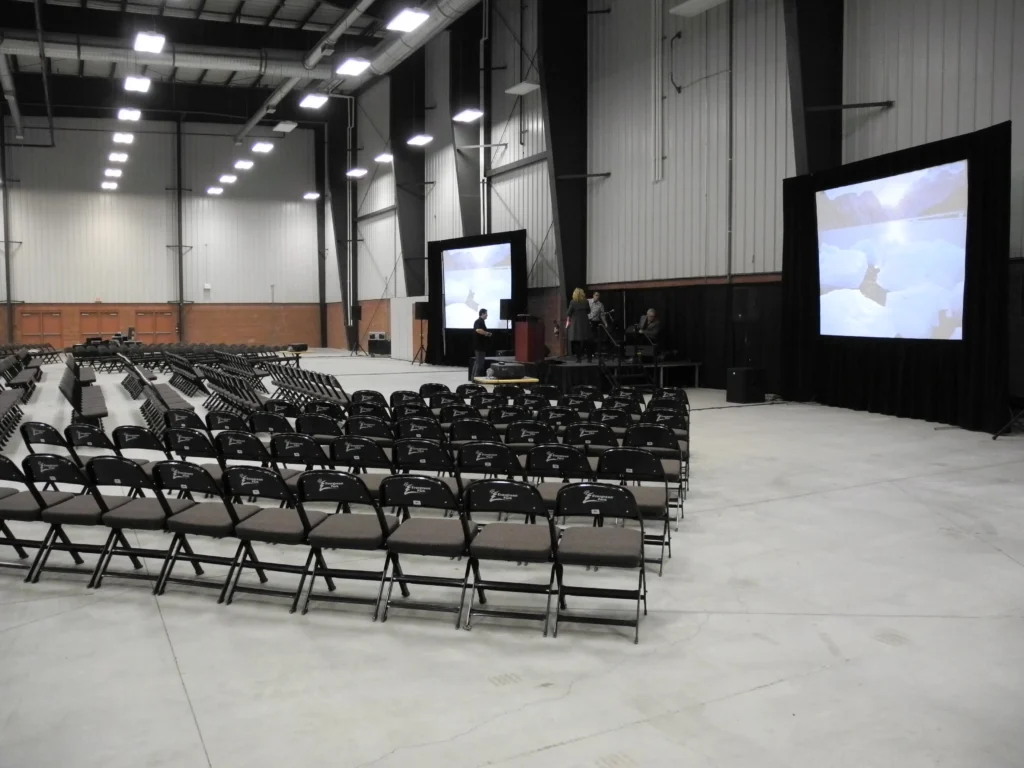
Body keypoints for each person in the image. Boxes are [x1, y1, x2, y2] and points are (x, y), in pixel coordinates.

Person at [566, 288, 593, 363]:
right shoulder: (586, 301)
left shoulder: (572, 302)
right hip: (585, 323)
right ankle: (589, 359)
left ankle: (578, 359)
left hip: (576, 324)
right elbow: (589, 311)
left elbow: (568, 313)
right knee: (587, 341)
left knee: (576, 341)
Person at [471, 307, 493, 379]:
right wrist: (487, 333)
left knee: (477, 363)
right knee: (479, 364)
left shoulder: (481, 321)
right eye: (486, 314)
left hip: (480, 346)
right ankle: (476, 379)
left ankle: (473, 378)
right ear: (482, 314)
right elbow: (478, 330)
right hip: (479, 346)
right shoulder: (479, 321)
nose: (487, 315)